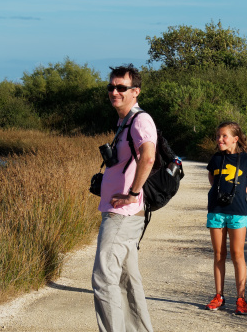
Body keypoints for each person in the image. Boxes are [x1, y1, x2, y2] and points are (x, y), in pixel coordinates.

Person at [92, 64, 156, 332]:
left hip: (122, 215)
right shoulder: (124, 120)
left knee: (104, 278)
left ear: (135, 91)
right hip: (123, 215)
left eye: (121, 87)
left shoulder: (140, 120)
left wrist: (132, 193)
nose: (114, 92)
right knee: (128, 282)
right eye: (111, 87)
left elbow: (149, 156)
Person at [205, 121, 247, 315]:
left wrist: (243, 191)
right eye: (218, 136)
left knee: (237, 254)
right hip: (216, 210)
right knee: (218, 255)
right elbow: (212, 176)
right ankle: (219, 296)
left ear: (235, 139)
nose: (220, 139)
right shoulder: (216, 159)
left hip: (238, 211)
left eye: (224, 136)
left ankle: (241, 298)